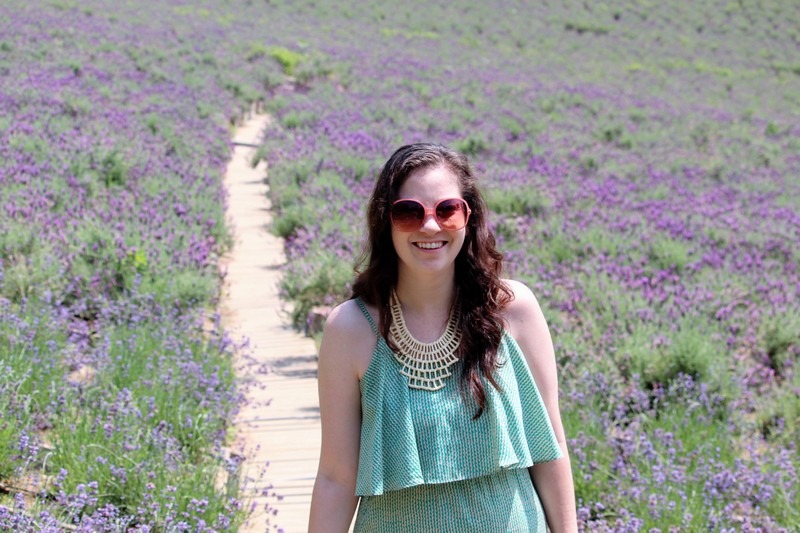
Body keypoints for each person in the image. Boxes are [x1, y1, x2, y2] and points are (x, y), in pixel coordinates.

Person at [308, 143, 577, 532]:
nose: (430, 226)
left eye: (447, 210)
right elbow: (336, 476)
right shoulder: (350, 329)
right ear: (386, 221)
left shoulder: (514, 310)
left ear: (469, 217)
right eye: (409, 212)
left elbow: (552, 449)